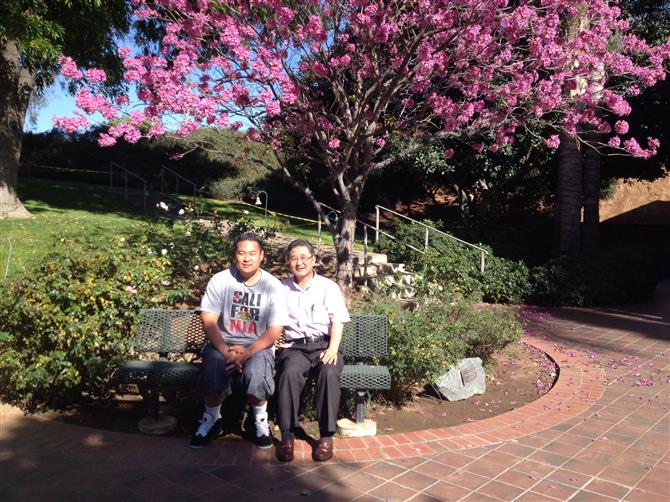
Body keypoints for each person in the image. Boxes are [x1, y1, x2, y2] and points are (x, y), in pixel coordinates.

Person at [190, 232, 288, 449]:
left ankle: (259, 421)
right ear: (235, 255)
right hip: (222, 344)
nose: (246, 258)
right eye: (241, 253)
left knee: (258, 371)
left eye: (252, 253)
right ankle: (211, 420)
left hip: (258, 346)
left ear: (261, 256)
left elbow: (275, 330)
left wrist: (249, 352)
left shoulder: (273, 286)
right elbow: (209, 320)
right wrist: (226, 351)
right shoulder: (221, 280)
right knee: (213, 365)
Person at [276, 239, 350, 462]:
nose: (299, 263)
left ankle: (326, 436)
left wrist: (333, 349)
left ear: (313, 260)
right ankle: (287, 435)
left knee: (329, 373)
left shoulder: (328, 287)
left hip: (324, 345)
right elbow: (273, 321)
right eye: (293, 258)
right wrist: (276, 341)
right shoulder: (281, 288)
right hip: (296, 348)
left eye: (303, 257)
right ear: (289, 262)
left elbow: (338, 321)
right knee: (289, 373)